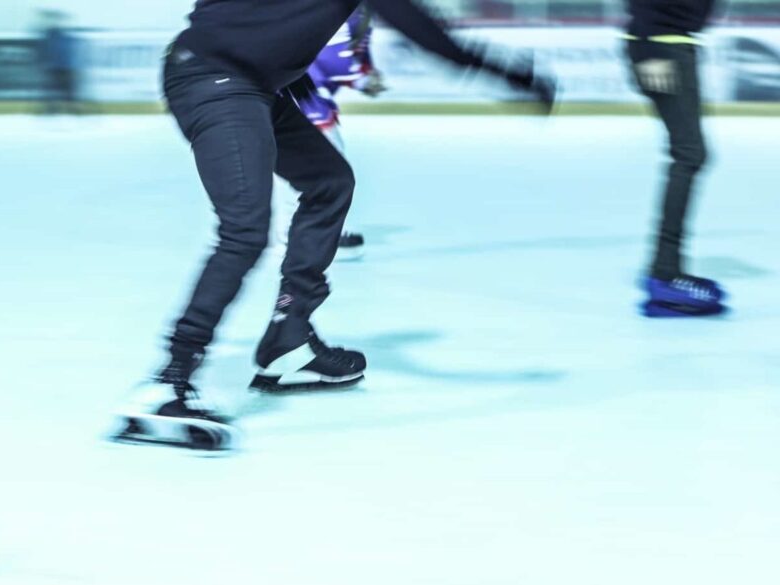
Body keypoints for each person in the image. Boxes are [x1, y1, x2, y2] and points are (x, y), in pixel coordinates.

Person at [112, 0, 555, 451]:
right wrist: (505, 73)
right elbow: (418, 27)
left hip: (246, 83)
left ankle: (289, 336)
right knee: (244, 231)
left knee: (328, 182)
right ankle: (169, 380)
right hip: (217, 80)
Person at [625, 0, 727, 317]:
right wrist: (648, 42)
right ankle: (665, 274)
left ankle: (666, 269)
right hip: (662, 46)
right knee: (689, 154)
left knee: (690, 154)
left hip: (669, 42)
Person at [274, 5, 386, 261]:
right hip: (301, 94)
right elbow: (331, 57)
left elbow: (356, 54)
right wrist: (362, 79)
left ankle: (311, 233)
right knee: (318, 164)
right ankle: (298, 236)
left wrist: (366, 76)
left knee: (325, 163)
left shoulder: (364, 13)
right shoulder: (341, 8)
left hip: (311, 97)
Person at [38, 11, 81, 115]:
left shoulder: (59, 36)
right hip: (56, 68)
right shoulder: (51, 36)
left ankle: (69, 108)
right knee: (54, 90)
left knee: (66, 91)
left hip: (63, 68)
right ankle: (53, 108)